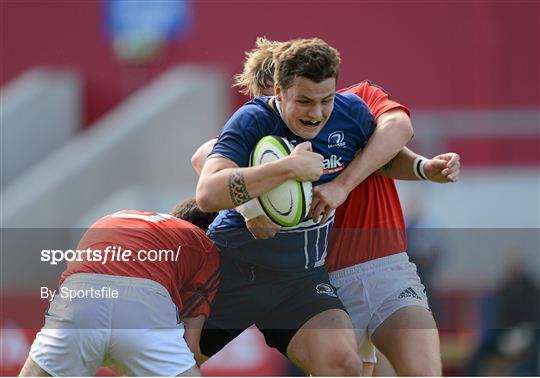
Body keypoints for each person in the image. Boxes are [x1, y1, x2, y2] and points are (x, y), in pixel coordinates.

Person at [193, 37, 460, 376]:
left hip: (303, 280)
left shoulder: (349, 110)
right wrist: (278, 178)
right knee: (171, 364)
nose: (315, 112)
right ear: (278, 92)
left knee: (347, 366)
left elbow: (386, 148)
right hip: (234, 270)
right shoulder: (252, 120)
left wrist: (422, 168)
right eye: (303, 101)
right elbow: (207, 184)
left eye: (323, 100)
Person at [19, 199, 219, 377]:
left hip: (79, 299)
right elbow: (190, 346)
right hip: (144, 304)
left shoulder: (114, 218)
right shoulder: (207, 246)